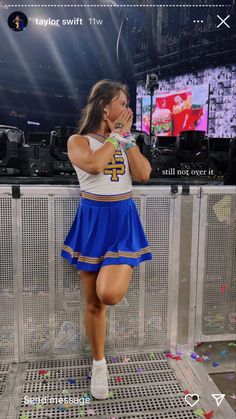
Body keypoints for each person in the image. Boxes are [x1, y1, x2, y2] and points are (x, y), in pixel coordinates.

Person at [60, 79, 153, 400]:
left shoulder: (124, 140)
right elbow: (95, 166)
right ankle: (99, 365)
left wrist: (127, 141)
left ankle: (100, 362)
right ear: (104, 106)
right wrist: (115, 137)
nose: (127, 110)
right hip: (92, 223)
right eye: (123, 103)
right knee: (94, 303)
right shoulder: (78, 141)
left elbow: (143, 174)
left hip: (123, 221)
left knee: (109, 294)